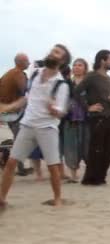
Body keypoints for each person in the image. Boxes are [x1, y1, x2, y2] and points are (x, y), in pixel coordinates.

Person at [0, 44, 72, 208]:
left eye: (57, 52)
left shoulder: (61, 84)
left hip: (47, 127)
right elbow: (26, 98)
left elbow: (61, 111)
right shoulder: (34, 73)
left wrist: (54, 109)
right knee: (11, 162)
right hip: (27, 124)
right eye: (53, 50)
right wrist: (8, 107)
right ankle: (2, 199)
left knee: (53, 166)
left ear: (63, 60)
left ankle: (58, 199)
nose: (52, 53)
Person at [73, 50, 110, 186]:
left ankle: (101, 178)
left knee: (107, 151)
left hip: (109, 117)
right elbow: (76, 92)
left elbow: (107, 97)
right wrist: (88, 107)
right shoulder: (92, 76)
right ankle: (90, 179)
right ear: (103, 61)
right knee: (96, 150)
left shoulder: (108, 79)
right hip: (97, 118)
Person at [0, 53, 31, 176]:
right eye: (27, 61)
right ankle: (19, 166)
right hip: (14, 112)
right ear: (21, 62)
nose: (29, 63)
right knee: (21, 139)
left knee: (17, 138)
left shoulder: (7, 73)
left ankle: (5, 153)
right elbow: (25, 91)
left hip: (5, 111)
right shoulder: (18, 74)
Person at [62, 58, 89, 183]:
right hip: (70, 119)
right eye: (75, 65)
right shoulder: (67, 83)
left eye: (80, 65)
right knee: (71, 148)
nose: (77, 67)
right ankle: (73, 175)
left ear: (85, 68)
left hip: (86, 120)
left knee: (87, 147)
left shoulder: (89, 83)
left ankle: (88, 173)